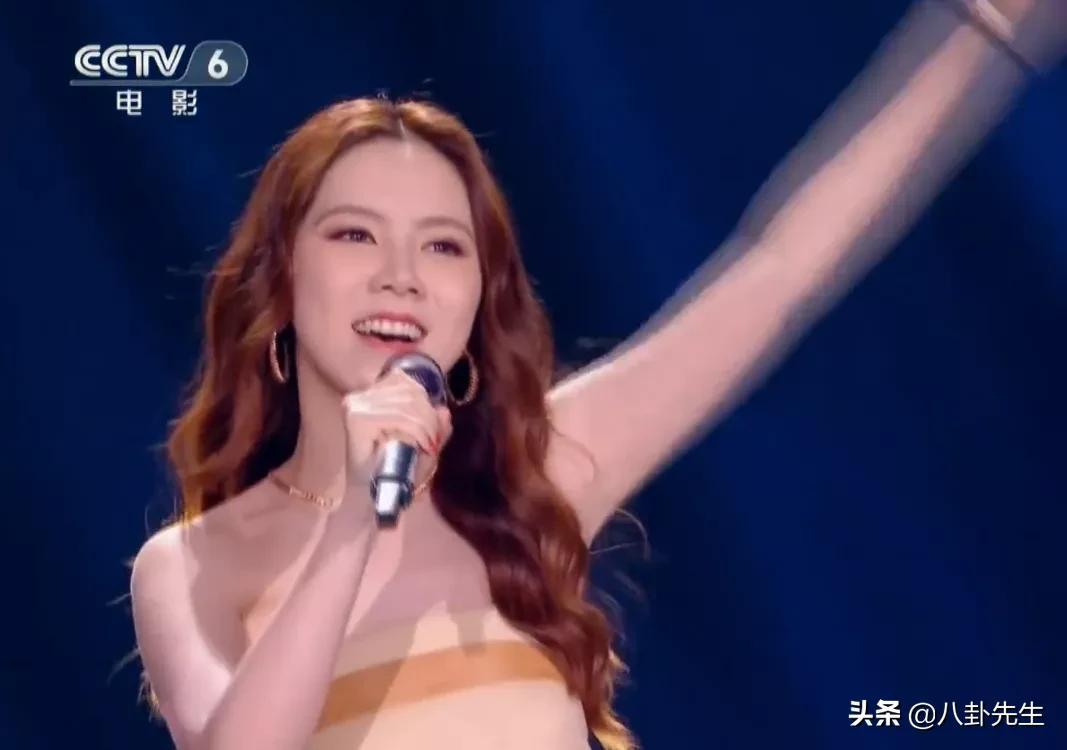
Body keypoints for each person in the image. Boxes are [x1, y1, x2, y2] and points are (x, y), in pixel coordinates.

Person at [129, 1, 1065, 748]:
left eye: (443, 246)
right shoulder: (191, 568)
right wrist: (351, 525)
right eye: (354, 235)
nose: (401, 276)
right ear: (281, 279)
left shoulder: (528, 476)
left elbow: (775, 271)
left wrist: (981, 33)